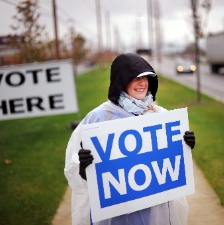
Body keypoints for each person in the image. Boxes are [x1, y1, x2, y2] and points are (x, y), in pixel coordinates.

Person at [64, 53, 195, 225]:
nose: (143, 83)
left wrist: (184, 145)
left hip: (155, 212)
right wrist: (84, 168)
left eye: (146, 77)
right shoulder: (97, 118)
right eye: (135, 78)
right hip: (115, 217)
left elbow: (170, 167)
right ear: (121, 81)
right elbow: (74, 171)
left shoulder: (160, 115)